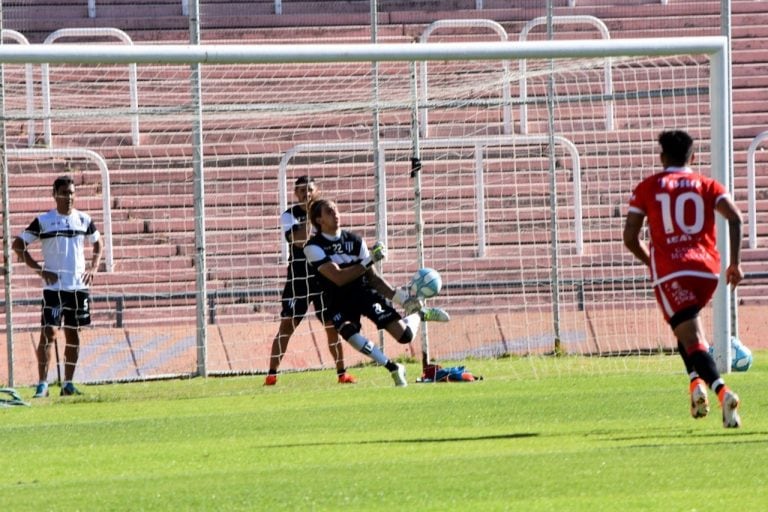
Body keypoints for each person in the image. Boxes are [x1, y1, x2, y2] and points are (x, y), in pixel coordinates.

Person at [623, 129, 743, 428]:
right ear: (693, 156)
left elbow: (629, 237)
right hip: (706, 271)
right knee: (686, 326)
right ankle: (695, 385)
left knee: (691, 336)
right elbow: (735, 217)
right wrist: (735, 264)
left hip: (672, 270)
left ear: (662, 157)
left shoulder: (648, 187)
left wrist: (653, 263)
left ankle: (721, 391)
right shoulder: (708, 185)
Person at [304, 198, 450, 387]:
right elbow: (338, 278)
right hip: (337, 299)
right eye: (329, 212)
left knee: (404, 336)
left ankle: (419, 314)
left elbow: (373, 279)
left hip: (364, 293)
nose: (336, 214)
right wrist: (369, 260)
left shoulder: (355, 241)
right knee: (349, 332)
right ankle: (393, 368)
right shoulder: (313, 247)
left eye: (335, 209)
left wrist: (403, 300)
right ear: (319, 220)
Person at [12, 175, 103, 398]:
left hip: (77, 287)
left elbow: (98, 244)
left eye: (72, 192)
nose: (69, 197)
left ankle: (68, 384)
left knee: (74, 334)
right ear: (55, 195)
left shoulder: (84, 219)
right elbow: (18, 245)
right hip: (54, 289)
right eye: (64, 192)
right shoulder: (44, 221)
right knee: (49, 332)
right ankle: (42, 383)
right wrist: (40, 270)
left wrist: (93, 267)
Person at [265, 176, 356, 385]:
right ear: (295, 193)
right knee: (286, 326)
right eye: (302, 191)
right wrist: (309, 214)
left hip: (323, 278)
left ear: (317, 191)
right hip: (298, 280)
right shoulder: (290, 216)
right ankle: (271, 374)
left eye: (310, 190)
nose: (306, 194)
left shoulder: (326, 214)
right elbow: (298, 241)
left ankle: (342, 373)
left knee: (332, 326)